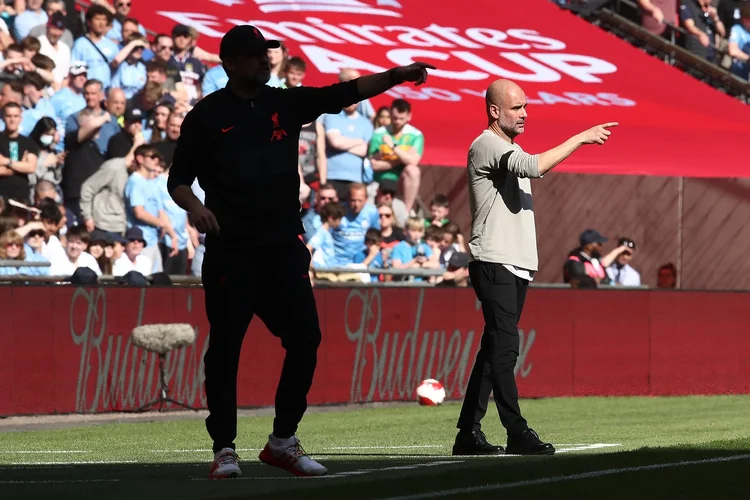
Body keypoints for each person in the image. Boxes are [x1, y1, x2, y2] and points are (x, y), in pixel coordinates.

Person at [166, 24, 435, 480]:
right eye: (254, 55)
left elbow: (344, 91)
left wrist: (396, 75)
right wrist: (196, 209)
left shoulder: (284, 103)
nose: (265, 60)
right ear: (230, 62)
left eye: (266, 53)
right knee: (226, 348)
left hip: (283, 245)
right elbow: (178, 181)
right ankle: (225, 448)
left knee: (306, 339)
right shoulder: (206, 115)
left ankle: (282, 441)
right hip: (232, 248)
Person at [453, 78, 617, 457]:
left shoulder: (507, 144)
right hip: (494, 260)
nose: (525, 113)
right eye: (516, 107)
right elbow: (533, 167)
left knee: (495, 349)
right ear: (494, 111)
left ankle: (468, 433)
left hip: (513, 264)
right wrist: (580, 137)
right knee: (505, 347)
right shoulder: (488, 143)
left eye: (525, 106)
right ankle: (516, 430)